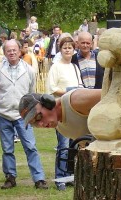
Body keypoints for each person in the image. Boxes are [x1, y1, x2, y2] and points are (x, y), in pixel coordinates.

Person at [0, 39, 48, 190]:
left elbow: (31, 92)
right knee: (7, 148)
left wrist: (27, 109)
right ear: (5, 52)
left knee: (30, 146)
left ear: (19, 50)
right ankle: (10, 177)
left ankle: (39, 178)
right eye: (9, 50)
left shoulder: (28, 70)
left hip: (23, 115)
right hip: (3, 115)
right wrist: (2, 103)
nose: (12, 52)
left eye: (14, 49)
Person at [46, 37, 83, 191]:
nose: (68, 50)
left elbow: (80, 85)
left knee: (74, 145)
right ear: (60, 50)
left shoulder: (74, 67)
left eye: (70, 47)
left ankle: (70, 176)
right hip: (61, 110)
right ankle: (60, 178)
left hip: (74, 110)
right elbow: (52, 88)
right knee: (63, 144)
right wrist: (70, 92)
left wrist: (77, 92)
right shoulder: (56, 67)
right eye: (65, 48)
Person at [19, 88, 101, 139]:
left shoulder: (75, 100)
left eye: (38, 117)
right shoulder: (60, 127)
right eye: (34, 124)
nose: (40, 124)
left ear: (47, 102)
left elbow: (111, 96)